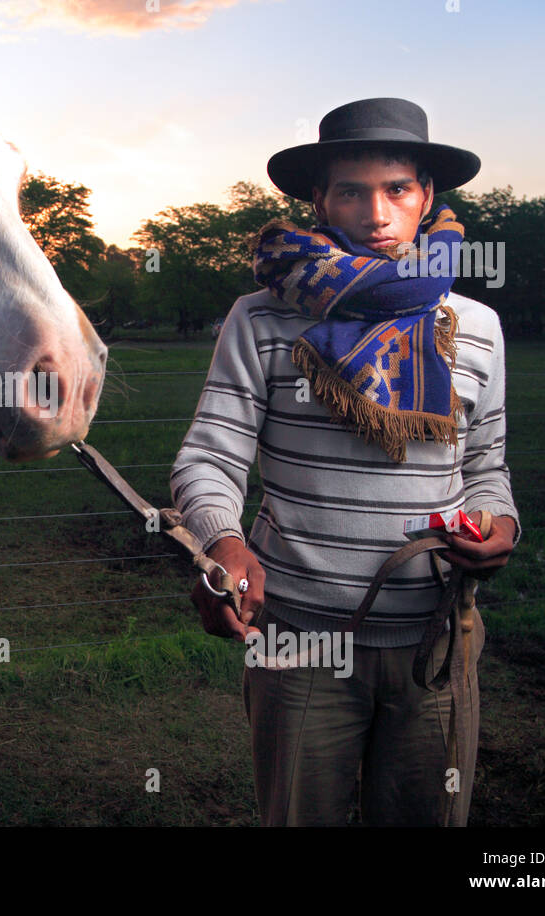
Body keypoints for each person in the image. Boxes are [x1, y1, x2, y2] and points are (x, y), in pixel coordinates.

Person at [171, 97, 520, 826]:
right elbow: (211, 454)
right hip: (300, 640)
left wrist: (500, 527)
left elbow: (486, 463)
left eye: (396, 189)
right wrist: (224, 543)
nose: (377, 212)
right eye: (352, 191)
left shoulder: (477, 329)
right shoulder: (261, 317)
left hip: (435, 634)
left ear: (427, 198)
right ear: (320, 201)